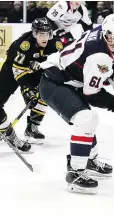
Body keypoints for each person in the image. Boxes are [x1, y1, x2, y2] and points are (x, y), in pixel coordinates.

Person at [39, 12, 114, 194]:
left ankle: (89, 159)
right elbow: (91, 94)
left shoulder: (102, 35)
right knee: (86, 118)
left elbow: (99, 76)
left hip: (68, 80)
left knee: (88, 119)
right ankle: (75, 172)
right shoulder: (99, 57)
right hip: (54, 83)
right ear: (110, 37)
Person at [0, 17, 63, 151]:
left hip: (36, 70)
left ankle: (32, 127)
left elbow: (61, 64)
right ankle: (7, 132)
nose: (45, 37)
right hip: (13, 70)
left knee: (45, 92)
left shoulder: (56, 44)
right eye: (41, 34)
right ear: (34, 34)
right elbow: (17, 71)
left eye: (48, 33)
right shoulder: (24, 45)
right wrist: (26, 88)